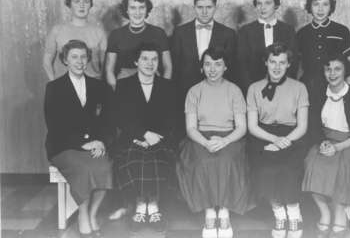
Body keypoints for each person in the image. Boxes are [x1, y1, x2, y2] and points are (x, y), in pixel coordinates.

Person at [176, 47, 253, 238]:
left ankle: (225, 211)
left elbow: (242, 127)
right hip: (200, 137)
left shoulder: (234, 90)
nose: (213, 69)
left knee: (227, 160)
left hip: (229, 137)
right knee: (203, 162)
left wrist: (224, 141)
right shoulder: (194, 91)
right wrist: (206, 142)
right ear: (202, 67)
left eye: (218, 64)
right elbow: (191, 128)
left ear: (225, 67)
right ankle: (209, 212)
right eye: (208, 64)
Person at [44, 40, 112, 237]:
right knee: (84, 167)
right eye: (74, 57)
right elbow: (55, 126)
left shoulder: (98, 86)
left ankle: (92, 213)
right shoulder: (54, 88)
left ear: (88, 59)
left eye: (83, 57)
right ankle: (82, 214)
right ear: (65, 60)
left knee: (105, 166)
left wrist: (102, 142)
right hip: (64, 146)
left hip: (95, 143)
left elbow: (107, 121)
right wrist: (83, 143)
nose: (79, 61)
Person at [302, 54, 350, 238]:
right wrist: (322, 142)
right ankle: (325, 211)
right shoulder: (318, 95)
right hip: (326, 139)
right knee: (311, 162)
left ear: (346, 71)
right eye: (328, 69)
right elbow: (314, 126)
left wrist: (338, 147)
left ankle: (339, 212)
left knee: (342, 163)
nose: (332, 73)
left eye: (337, 69)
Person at [111, 42, 177, 233]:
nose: (150, 63)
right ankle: (140, 207)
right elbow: (120, 117)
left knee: (157, 159)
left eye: (154, 59)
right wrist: (141, 135)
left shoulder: (167, 86)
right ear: (136, 61)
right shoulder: (124, 85)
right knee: (134, 158)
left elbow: (172, 118)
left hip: (160, 139)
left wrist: (155, 137)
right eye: (145, 59)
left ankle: (154, 207)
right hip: (132, 139)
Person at [247, 42, 309, 238]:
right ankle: (279, 214)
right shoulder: (254, 88)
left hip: (292, 135)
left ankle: (294, 213)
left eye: (282, 62)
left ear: (289, 64)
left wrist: (285, 141)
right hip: (263, 135)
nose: (277, 67)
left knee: (290, 168)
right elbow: (252, 126)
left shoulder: (299, 87)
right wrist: (274, 140)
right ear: (265, 62)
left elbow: (302, 126)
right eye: (273, 62)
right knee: (265, 169)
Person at [171, 0, 236, 137]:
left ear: (215, 7)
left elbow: (231, 68)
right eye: (200, 7)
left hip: (217, 92)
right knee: (185, 136)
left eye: (209, 7)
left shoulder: (228, 34)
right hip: (185, 92)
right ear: (194, 7)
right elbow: (175, 67)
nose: (204, 12)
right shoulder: (180, 33)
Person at [297, 0, 350, 116]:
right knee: (312, 121)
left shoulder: (342, 31)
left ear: (331, 7)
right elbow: (299, 66)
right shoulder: (302, 33)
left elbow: (348, 65)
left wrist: (348, 90)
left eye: (325, 4)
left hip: (334, 85)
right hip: (308, 86)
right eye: (316, 4)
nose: (320, 9)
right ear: (310, 7)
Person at [105, 0, 172, 90]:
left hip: (152, 84)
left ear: (147, 9)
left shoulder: (159, 33)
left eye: (141, 7)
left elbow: (168, 67)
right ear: (126, 10)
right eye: (133, 8)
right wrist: (117, 91)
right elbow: (109, 70)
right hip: (124, 85)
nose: (137, 12)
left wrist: (162, 89)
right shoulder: (116, 35)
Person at [237, 0, 298, 93]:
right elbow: (242, 65)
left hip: (283, 90)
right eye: (259, 3)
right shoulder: (245, 31)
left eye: (267, 3)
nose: (262, 7)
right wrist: (251, 90)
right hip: (253, 89)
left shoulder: (288, 30)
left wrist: (284, 89)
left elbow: (293, 63)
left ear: (276, 5)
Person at [43, 0, 107, 80]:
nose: (82, 5)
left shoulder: (99, 32)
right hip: (64, 88)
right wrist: (54, 84)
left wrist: (100, 85)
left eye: (86, 1)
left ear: (91, 4)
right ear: (69, 4)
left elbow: (105, 65)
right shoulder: (57, 31)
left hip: (93, 88)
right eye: (77, 1)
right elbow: (47, 61)